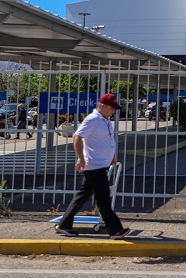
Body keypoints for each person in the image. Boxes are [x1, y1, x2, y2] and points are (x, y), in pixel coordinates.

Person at [55, 93, 130, 239]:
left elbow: (103, 141)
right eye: (112, 108)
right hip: (94, 165)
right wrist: (80, 158)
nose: (114, 111)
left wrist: (111, 157)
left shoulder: (105, 120)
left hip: (101, 164)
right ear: (103, 106)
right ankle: (115, 230)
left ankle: (64, 224)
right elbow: (77, 137)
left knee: (82, 196)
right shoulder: (92, 119)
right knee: (103, 199)